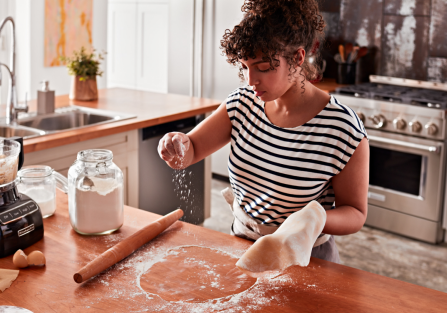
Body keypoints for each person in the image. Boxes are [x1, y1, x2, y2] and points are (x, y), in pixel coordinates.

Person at [158, 0, 369, 263]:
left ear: (297, 58)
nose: (250, 80)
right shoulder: (243, 103)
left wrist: (316, 217)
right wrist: (176, 143)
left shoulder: (343, 128)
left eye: (263, 67)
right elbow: (190, 151)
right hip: (242, 246)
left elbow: (356, 213)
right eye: (245, 66)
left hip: (306, 258)